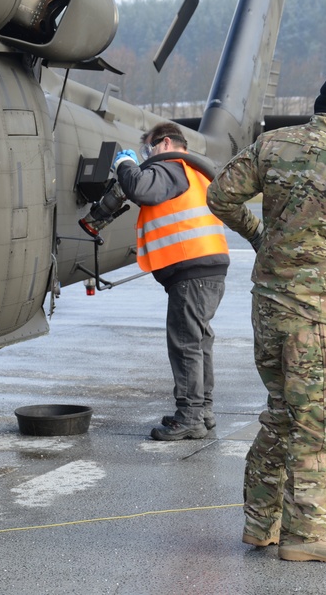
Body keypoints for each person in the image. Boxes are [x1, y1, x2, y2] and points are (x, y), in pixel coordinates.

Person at [206, 74, 326, 562]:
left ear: (319, 107)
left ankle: (260, 522)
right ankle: (306, 536)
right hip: (317, 316)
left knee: (280, 412)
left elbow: (220, 197)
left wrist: (259, 236)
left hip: (268, 306)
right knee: (318, 422)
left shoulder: (272, 144)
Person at [113, 122, 230, 441]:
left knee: (185, 344)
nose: (146, 156)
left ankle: (190, 416)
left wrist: (125, 164)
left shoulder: (170, 167)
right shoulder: (194, 173)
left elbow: (140, 190)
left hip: (192, 271)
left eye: (148, 150)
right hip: (208, 269)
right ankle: (201, 410)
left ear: (165, 144)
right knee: (199, 342)